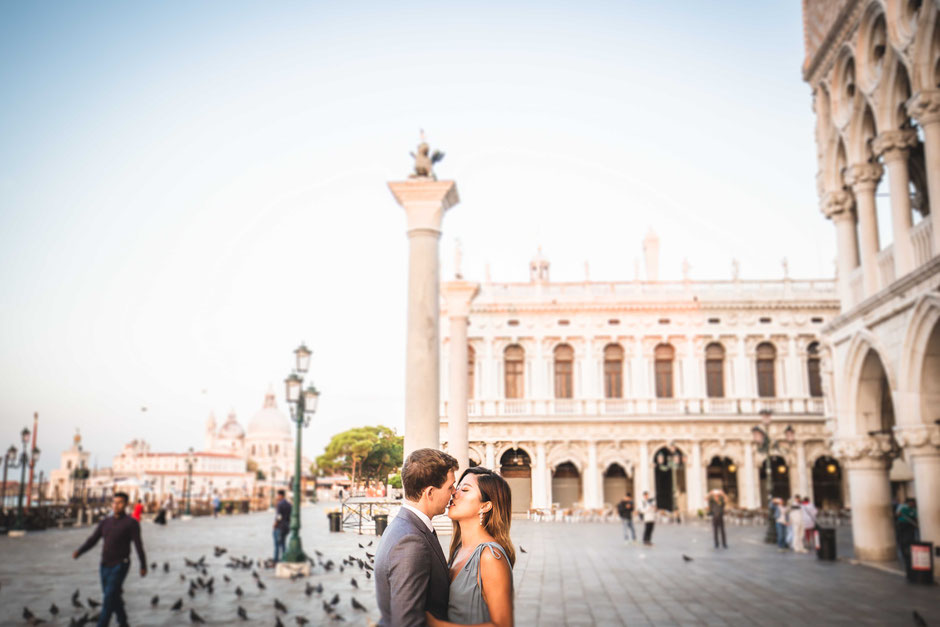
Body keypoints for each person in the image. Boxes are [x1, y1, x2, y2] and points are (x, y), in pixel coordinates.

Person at [375, 448, 458, 627]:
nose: (454, 492)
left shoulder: (407, 527)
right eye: (450, 486)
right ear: (429, 493)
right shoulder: (411, 543)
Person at [426, 466, 515, 627]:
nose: (454, 493)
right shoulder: (458, 549)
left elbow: (503, 624)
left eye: (465, 490)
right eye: (457, 488)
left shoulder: (489, 556)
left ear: (485, 506)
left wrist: (436, 624)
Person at [72, 492, 147, 627]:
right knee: (113, 596)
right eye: (114, 502)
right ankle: (123, 623)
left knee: (107, 599)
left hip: (121, 564)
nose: (116, 505)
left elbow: (138, 545)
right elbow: (93, 539)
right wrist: (80, 551)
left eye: (120, 503)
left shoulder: (131, 523)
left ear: (126, 505)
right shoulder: (105, 522)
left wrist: (143, 565)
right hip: (104, 565)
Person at [896, 497, 918, 570]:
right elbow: (898, 514)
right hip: (902, 525)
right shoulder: (903, 508)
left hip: (910, 526)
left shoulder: (914, 510)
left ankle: (909, 554)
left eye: (913, 503)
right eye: (911, 503)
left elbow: (915, 517)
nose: (912, 504)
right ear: (908, 503)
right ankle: (905, 554)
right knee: (902, 541)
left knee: (909, 540)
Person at [273, 489, 291, 562]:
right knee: (283, 544)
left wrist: (275, 525)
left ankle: (276, 560)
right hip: (286, 526)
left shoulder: (280, 504)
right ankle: (285, 558)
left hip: (279, 527)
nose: (277, 497)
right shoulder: (289, 504)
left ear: (280, 495)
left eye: (278, 495)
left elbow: (279, 516)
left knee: (277, 545)